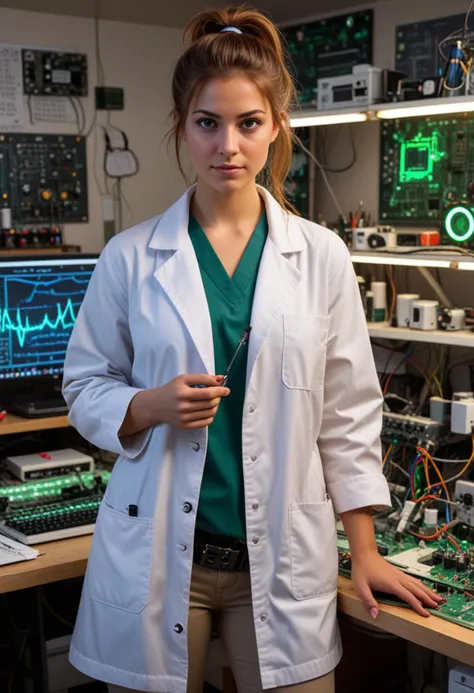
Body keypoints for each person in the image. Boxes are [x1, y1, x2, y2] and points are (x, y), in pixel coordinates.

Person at [62, 6, 442, 693]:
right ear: (182, 126)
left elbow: (349, 414)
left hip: (282, 559)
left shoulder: (320, 255)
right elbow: (85, 385)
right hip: (158, 558)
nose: (227, 145)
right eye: (208, 123)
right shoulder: (129, 257)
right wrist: (148, 403)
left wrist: (363, 551)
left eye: (248, 123)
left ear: (275, 127)